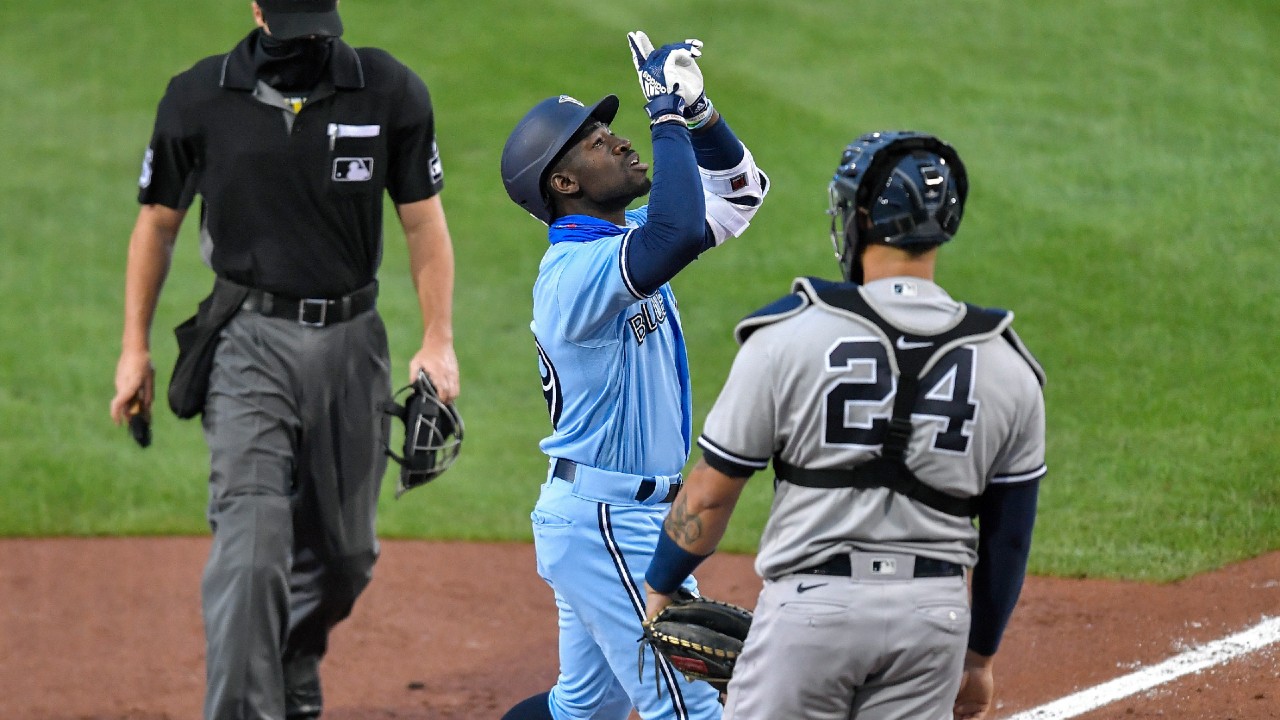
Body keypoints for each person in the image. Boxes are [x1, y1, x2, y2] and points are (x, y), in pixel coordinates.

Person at [107, 1, 460, 718]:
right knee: (252, 546)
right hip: (247, 343)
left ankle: (293, 657)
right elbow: (158, 226)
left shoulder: (389, 90)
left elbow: (423, 221)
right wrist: (133, 348)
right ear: (258, 8)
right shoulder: (199, 96)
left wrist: (438, 339)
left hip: (353, 343)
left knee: (345, 558)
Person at [644, 131, 1047, 720]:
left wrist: (661, 583)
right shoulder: (1009, 364)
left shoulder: (787, 336)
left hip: (812, 614)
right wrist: (979, 659)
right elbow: (1008, 538)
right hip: (931, 622)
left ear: (860, 216)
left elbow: (709, 493)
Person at [496, 31, 769, 720]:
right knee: (691, 709)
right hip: (609, 520)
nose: (618, 142)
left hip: (616, 514)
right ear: (562, 184)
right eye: (594, 141)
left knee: (581, 711)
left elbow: (740, 197)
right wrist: (664, 113)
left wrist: (699, 113)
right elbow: (675, 234)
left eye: (612, 130)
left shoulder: (621, 244)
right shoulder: (574, 276)